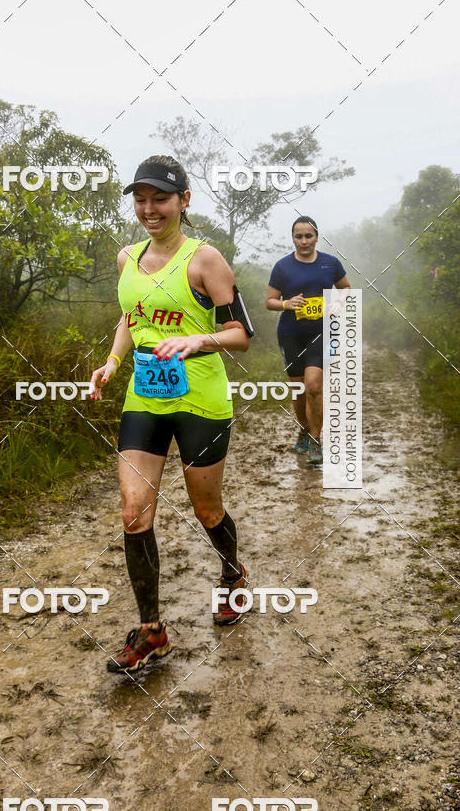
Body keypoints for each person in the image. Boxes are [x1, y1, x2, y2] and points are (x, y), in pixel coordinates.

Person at [89, 155, 254, 674]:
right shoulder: (127, 258)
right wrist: (112, 363)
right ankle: (151, 632)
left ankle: (232, 578)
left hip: (201, 403)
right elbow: (129, 315)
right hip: (144, 401)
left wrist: (197, 339)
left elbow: (242, 335)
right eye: (140, 199)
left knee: (206, 509)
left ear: (184, 201)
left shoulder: (206, 261)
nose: (148, 209)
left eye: (160, 198)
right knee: (133, 511)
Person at [266, 216, 350, 465]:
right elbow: (269, 301)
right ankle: (303, 429)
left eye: (308, 236)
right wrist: (286, 303)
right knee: (299, 390)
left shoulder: (330, 263)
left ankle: (316, 439)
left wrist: (338, 302)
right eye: (298, 236)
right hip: (291, 334)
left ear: (316, 237)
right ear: (293, 238)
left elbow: (345, 287)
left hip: (320, 332)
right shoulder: (283, 267)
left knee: (313, 386)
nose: (303, 241)